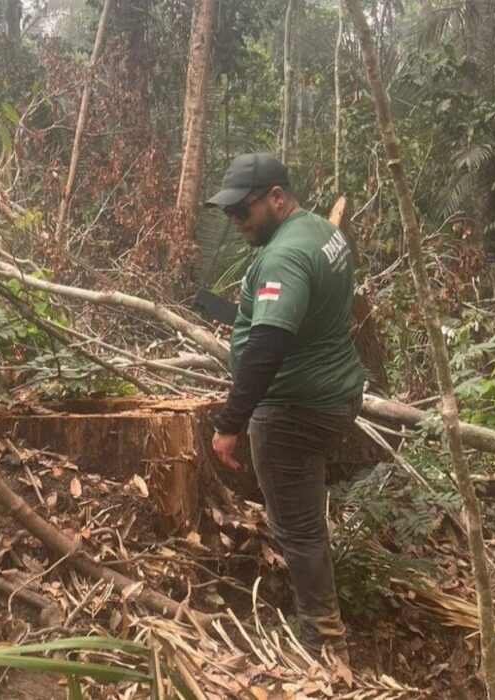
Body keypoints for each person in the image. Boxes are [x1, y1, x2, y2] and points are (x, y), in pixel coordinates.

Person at [205, 153, 365, 661]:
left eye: (242, 211)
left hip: (294, 410)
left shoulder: (282, 258)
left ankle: (320, 637)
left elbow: (269, 345)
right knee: (306, 516)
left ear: (277, 197)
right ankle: (324, 612)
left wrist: (230, 423)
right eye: (228, 213)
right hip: (335, 393)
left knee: (297, 528)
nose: (234, 222)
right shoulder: (323, 232)